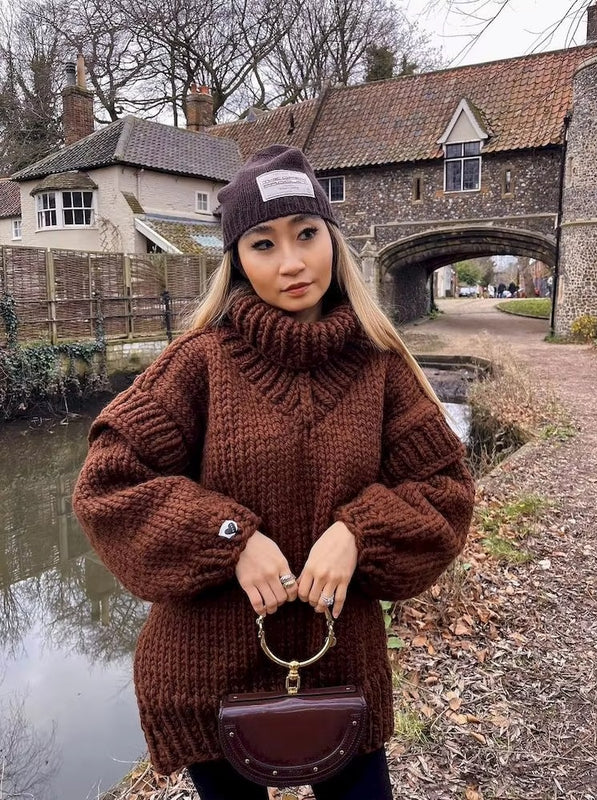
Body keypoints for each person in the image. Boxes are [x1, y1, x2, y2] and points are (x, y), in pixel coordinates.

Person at [73, 145, 475, 800]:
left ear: (331, 239)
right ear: (237, 259)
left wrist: (358, 533)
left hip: (342, 672)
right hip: (206, 678)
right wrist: (227, 536)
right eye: (263, 244)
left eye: (306, 235)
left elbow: (445, 492)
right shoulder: (196, 364)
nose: (291, 262)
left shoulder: (381, 370)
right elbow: (108, 482)